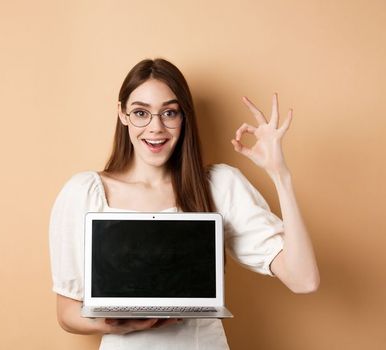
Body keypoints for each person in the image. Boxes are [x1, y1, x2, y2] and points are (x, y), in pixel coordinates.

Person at [48, 58, 320, 349]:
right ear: (122, 114)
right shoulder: (84, 192)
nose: (156, 128)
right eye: (141, 112)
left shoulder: (218, 185)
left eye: (169, 113)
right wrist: (125, 325)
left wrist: (280, 174)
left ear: (183, 117)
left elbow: (303, 280)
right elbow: (67, 313)